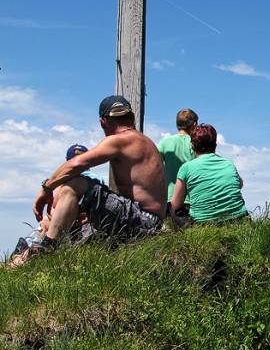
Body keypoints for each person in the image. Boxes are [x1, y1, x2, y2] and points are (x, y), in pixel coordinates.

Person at [20, 95, 167, 263]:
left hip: (142, 220)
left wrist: (46, 189)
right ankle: (28, 256)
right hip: (149, 220)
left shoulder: (120, 140)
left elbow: (76, 164)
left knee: (76, 182)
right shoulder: (145, 141)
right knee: (83, 241)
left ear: (103, 122)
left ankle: (46, 251)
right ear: (131, 117)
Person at [6, 144, 106, 266]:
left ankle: (22, 257)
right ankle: (24, 255)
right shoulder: (98, 179)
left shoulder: (71, 180)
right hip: (88, 222)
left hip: (77, 226)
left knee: (45, 223)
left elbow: (56, 205)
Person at [170, 123, 248, 224]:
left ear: (192, 145)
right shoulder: (229, 164)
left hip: (204, 223)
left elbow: (175, 204)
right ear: (215, 145)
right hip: (239, 220)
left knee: (174, 210)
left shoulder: (186, 168)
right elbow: (240, 184)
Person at [157, 108, 198, 201]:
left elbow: (153, 164)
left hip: (169, 196)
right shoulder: (195, 143)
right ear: (194, 124)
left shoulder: (164, 142)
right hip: (191, 198)